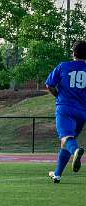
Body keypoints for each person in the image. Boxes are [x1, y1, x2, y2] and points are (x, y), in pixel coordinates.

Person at [46, 40, 86, 183]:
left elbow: (49, 85)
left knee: (66, 138)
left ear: (73, 53)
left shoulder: (63, 66)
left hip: (65, 108)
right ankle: (57, 174)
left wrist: (58, 95)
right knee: (66, 141)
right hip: (82, 112)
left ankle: (76, 150)